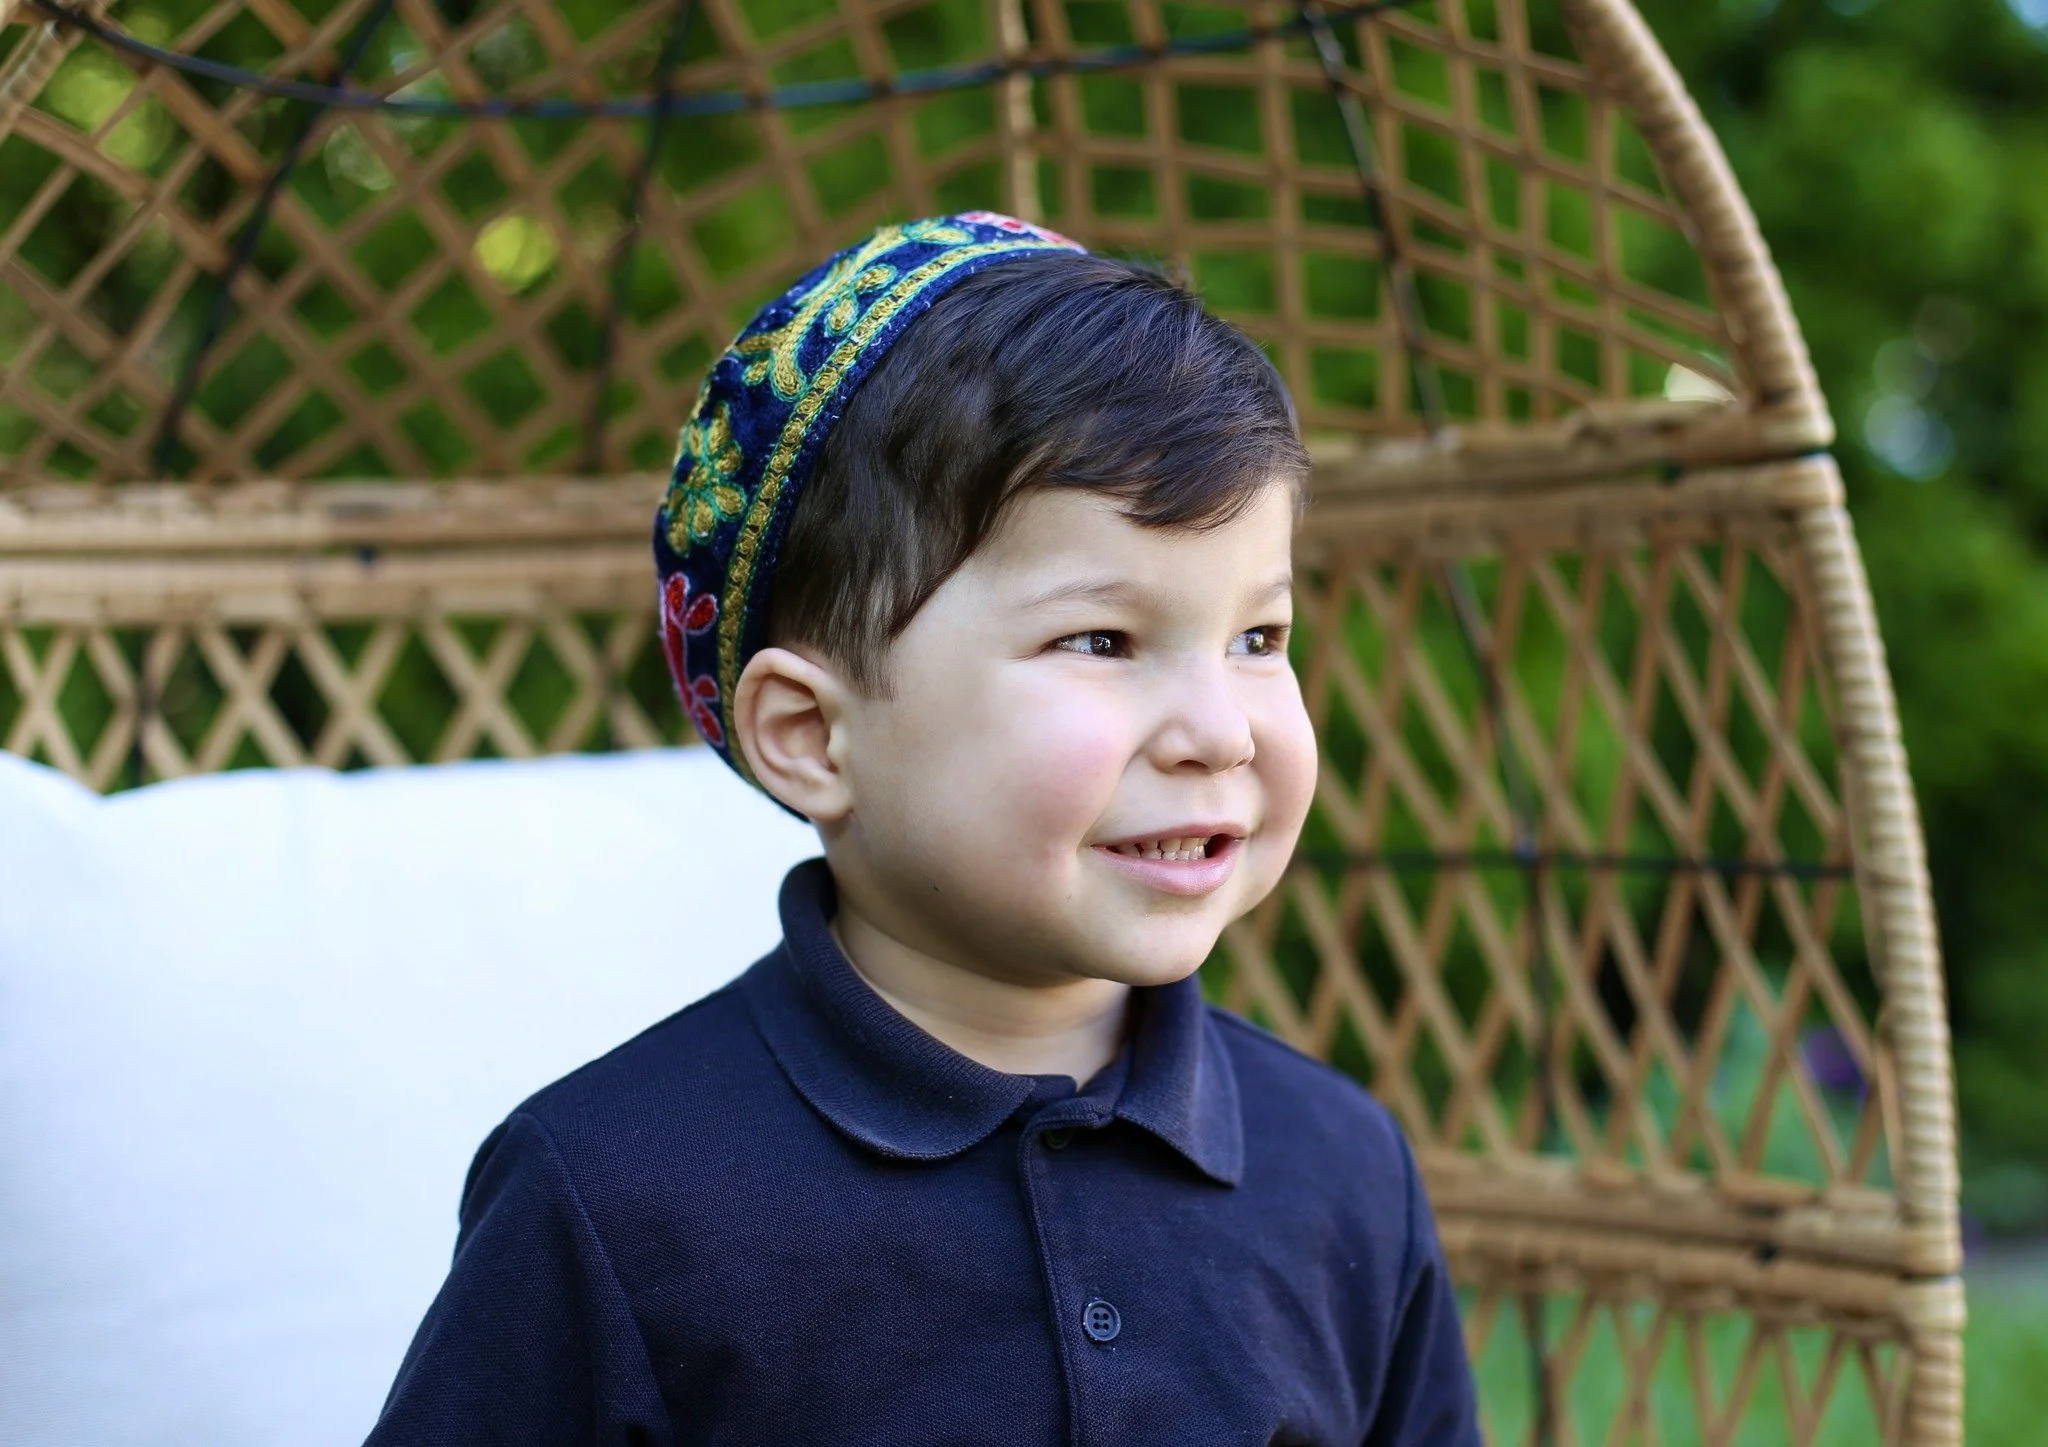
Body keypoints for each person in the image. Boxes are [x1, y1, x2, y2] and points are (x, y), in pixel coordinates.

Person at [366, 213, 1481, 1445]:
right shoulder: (616, 1196)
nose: (1217, 730)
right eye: (1099, 640)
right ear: (810, 733)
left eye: (1256, 638)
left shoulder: (1337, 1170)